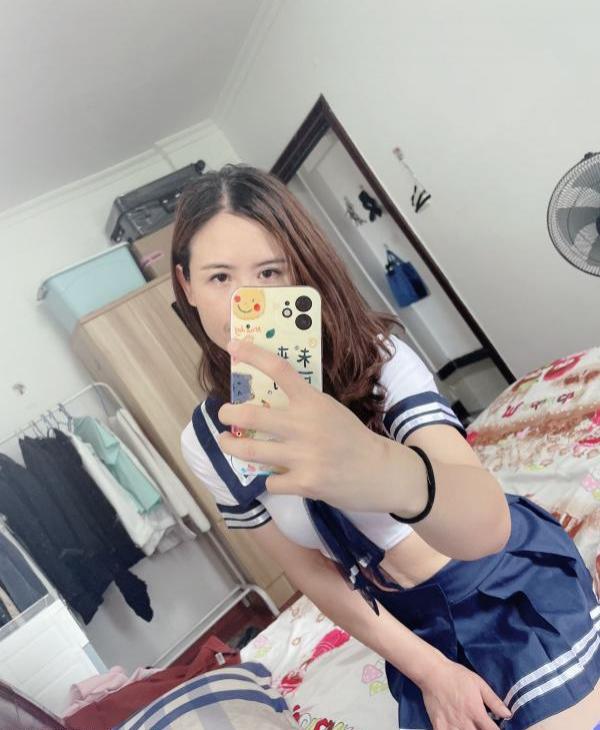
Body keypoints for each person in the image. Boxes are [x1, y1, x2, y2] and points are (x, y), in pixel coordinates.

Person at [173, 164, 600, 730]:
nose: (247, 299)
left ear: (300, 270)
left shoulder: (378, 359)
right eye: (219, 277)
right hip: (412, 631)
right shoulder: (208, 442)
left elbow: (486, 526)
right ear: (186, 285)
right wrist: (431, 672)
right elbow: (313, 574)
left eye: (270, 271)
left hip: (497, 585)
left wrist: (374, 465)